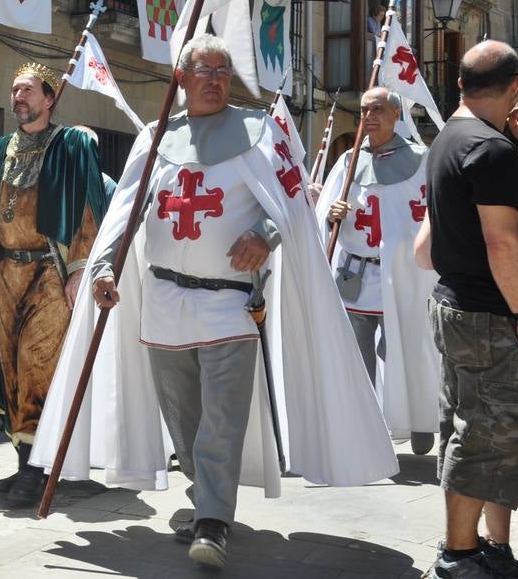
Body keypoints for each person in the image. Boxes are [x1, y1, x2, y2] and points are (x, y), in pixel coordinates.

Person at [33, 35, 395, 570]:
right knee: (185, 418)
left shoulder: (259, 133)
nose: (216, 79)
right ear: (181, 79)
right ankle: (206, 495)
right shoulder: (155, 138)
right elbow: (125, 211)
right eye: (205, 70)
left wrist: (265, 234)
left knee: (222, 419)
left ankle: (212, 522)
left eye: (224, 71)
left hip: (229, 303)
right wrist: (106, 266)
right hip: (161, 300)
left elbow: (291, 203)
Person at [0, 63, 109, 508]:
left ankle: (34, 470)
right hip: (3, 274)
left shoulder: (70, 144)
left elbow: (89, 206)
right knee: (8, 368)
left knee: (35, 365)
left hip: (49, 271)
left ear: (49, 99)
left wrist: (79, 269)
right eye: (14, 90)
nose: (18, 97)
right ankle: (24, 460)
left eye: (27, 90)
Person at [414, 40, 518, 579]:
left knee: (471, 428)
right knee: (487, 435)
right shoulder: (487, 150)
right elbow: (501, 241)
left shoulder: (454, 138)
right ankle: (461, 554)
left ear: (461, 83)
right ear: (516, 86)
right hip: (492, 316)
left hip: (461, 308)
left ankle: (472, 549)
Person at [316, 87, 439, 455]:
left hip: (404, 277)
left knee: (408, 350)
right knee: (358, 358)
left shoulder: (421, 159)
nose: (369, 116)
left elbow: (429, 212)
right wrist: (331, 215)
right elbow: (323, 214)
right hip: (356, 276)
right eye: (365, 110)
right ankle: (365, 432)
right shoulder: (349, 161)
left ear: (396, 115)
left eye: (378, 109)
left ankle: (420, 421)